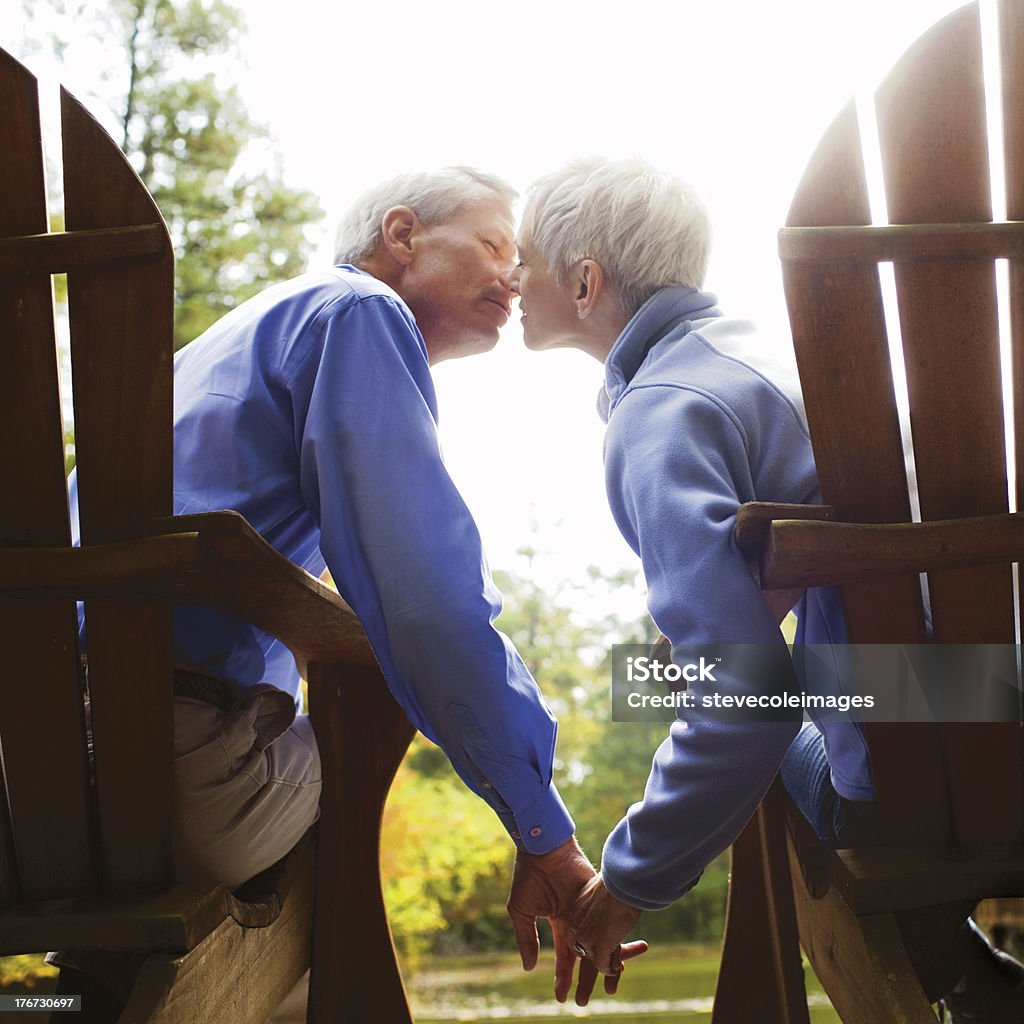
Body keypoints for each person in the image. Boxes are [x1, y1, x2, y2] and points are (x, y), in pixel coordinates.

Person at [61, 167, 645, 1013]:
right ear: (401, 236)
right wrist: (543, 834)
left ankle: (93, 982)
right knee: (362, 735)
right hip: (165, 774)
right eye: (492, 246)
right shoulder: (359, 313)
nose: (515, 277)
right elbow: (427, 605)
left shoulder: (233, 341)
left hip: (31, 777)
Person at [505, 155, 1024, 1020]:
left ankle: (952, 986)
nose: (512, 277)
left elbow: (747, 707)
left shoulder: (660, 411)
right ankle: (972, 978)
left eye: (524, 257)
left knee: (678, 686)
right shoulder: (771, 358)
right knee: (661, 674)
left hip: (920, 770)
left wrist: (627, 881)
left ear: (586, 280)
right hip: (998, 693)